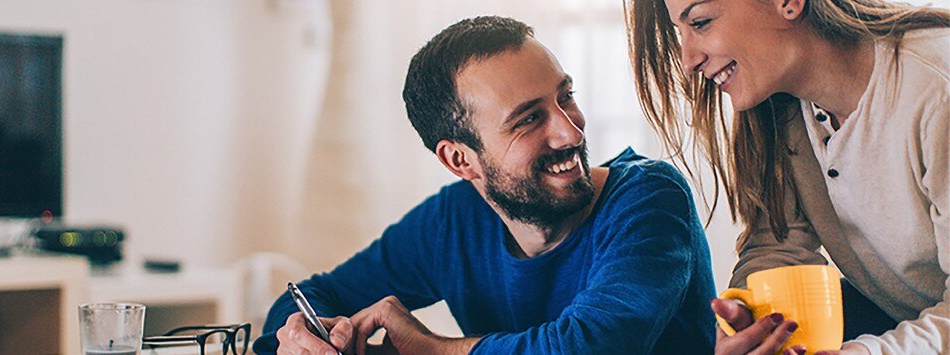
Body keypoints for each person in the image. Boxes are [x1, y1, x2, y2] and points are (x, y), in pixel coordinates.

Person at [251, 16, 717, 354]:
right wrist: (305, 337)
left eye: (566, 97)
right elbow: (306, 301)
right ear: (460, 159)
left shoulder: (649, 199)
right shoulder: (452, 221)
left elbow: (594, 345)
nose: (570, 132)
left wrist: (433, 349)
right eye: (529, 119)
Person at [625, 0, 950, 353]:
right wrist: (753, 323)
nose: (689, 61)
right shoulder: (783, 108)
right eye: (680, 32)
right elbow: (779, 243)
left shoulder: (937, 89)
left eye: (701, 22)